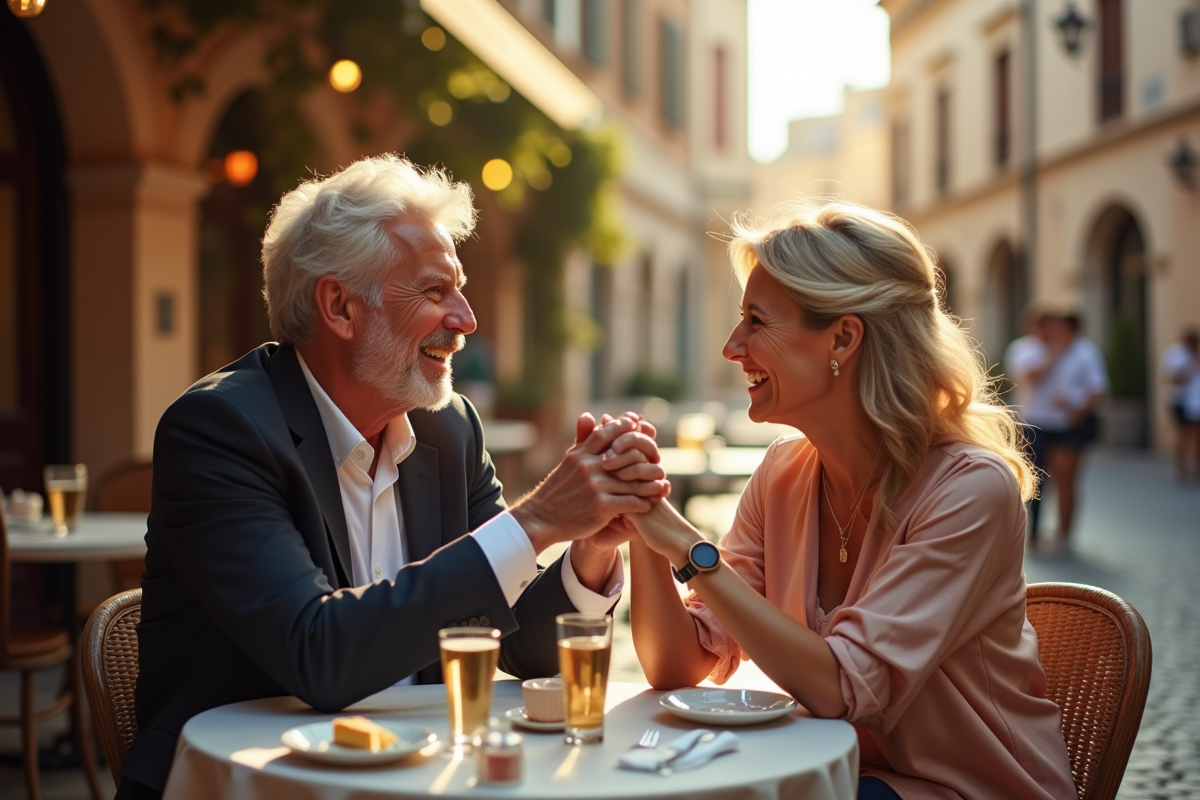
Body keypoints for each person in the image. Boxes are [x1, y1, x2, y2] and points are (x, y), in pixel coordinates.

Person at [121, 155, 666, 799]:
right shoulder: (220, 429)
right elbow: (316, 654)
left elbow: (523, 648)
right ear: (341, 307)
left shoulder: (447, 427)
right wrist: (537, 518)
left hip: (423, 777)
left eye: (459, 289)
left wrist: (590, 546)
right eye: (435, 292)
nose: (466, 320)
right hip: (255, 782)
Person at [623, 201, 1076, 800]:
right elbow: (678, 667)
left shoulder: (970, 489)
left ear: (843, 336)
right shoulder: (783, 473)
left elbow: (842, 687)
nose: (733, 347)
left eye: (757, 321)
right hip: (841, 781)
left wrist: (686, 545)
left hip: (964, 788)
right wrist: (642, 517)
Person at [1041, 312, 1108, 551]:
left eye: (1058, 327)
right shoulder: (1051, 350)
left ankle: (1064, 535)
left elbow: (1098, 390)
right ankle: (1057, 531)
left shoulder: (1086, 353)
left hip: (1073, 425)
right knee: (1053, 479)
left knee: (1065, 479)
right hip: (1051, 424)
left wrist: (1075, 410)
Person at [1004, 308, 1054, 543]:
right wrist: (1053, 355)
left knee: (1059, 478)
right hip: (1030, 421)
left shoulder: (1070, 350)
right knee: (1034, 478)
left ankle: (1061, 532)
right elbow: (1029, 376)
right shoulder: (1022, 349)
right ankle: (1031, 528)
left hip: (1061, 424)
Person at [1160, 327, 1200, 481]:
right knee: (1183, 434)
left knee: (1197, 434)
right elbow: (1170, 377)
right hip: (1180, 401)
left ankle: (1196, 469)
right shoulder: (1175, 355)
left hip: (1196, 402)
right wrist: (1190, 368)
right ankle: (1181, 469)